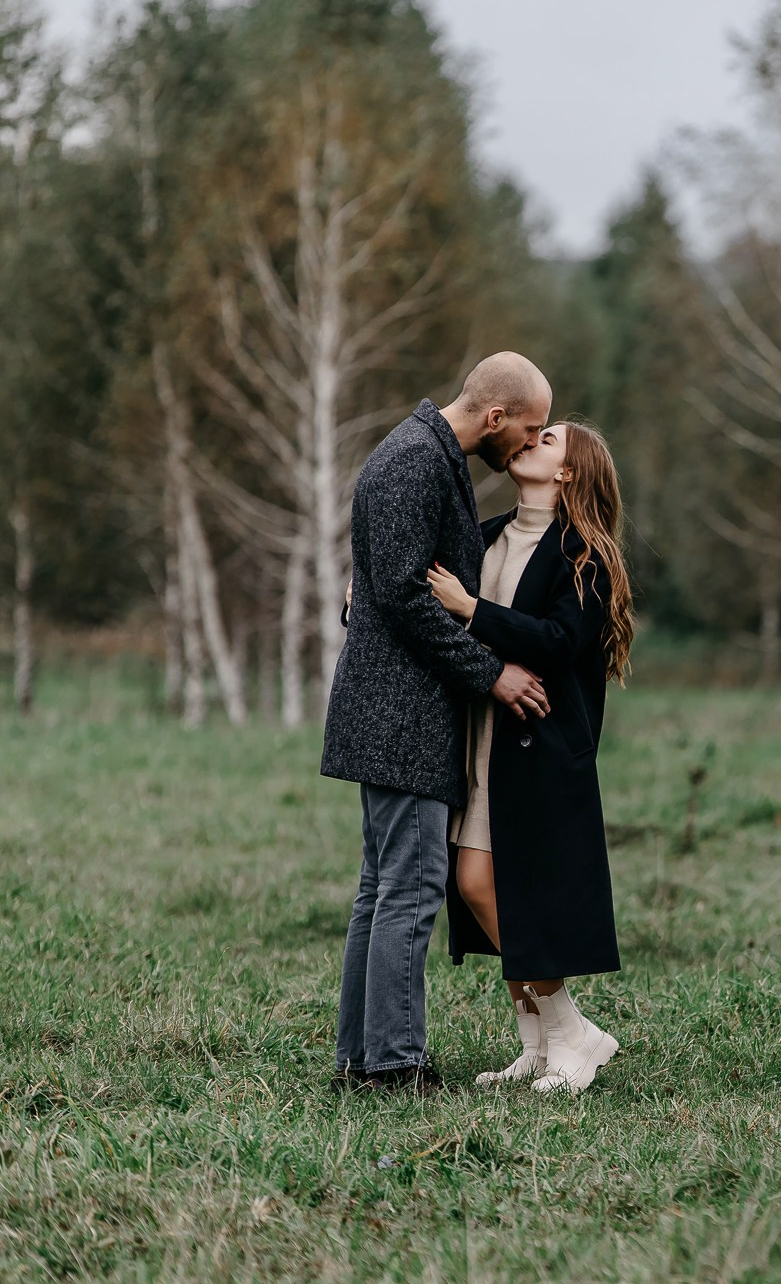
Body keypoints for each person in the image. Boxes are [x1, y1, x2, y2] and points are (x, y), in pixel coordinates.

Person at [322, 353, 555, 1093]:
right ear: (495, 418)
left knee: (382, 888)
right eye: (529, 429)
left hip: (398, 711)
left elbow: (404, 568)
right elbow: (403, 595)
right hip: (401, 715)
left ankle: (364, 1059)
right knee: (411, 889)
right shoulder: (413, 460)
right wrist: (494, 673)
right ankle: (393, 1065)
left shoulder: (432, 457)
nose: (528, 443)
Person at [426, 418, 631, 1093]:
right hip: (482, 737)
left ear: (569, 473)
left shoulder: (586, 555)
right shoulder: (485, 537)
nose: (530, 442)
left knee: (509, 889)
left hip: (542, 748)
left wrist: (470, 609)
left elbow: (555, 641)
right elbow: (426, 596)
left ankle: (569, 1037)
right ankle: (546, 1040)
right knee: (478, 884)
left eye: (549, 441)